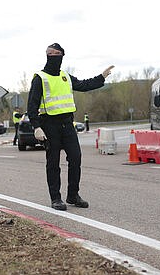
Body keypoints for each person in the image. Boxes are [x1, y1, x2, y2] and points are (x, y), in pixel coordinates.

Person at [27, 43, 114, 210]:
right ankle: (55, 198)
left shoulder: (65, 76)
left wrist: (102, 77)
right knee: (53, 163)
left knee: (76, 158)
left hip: (67, 125)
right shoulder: (40, 77)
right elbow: (32, 104)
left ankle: (73, 195)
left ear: (61, 56)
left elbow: (84, 85)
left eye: (56, 53)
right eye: (49, 53)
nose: (52, 55)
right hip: (49, 125)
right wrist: (36, 127)